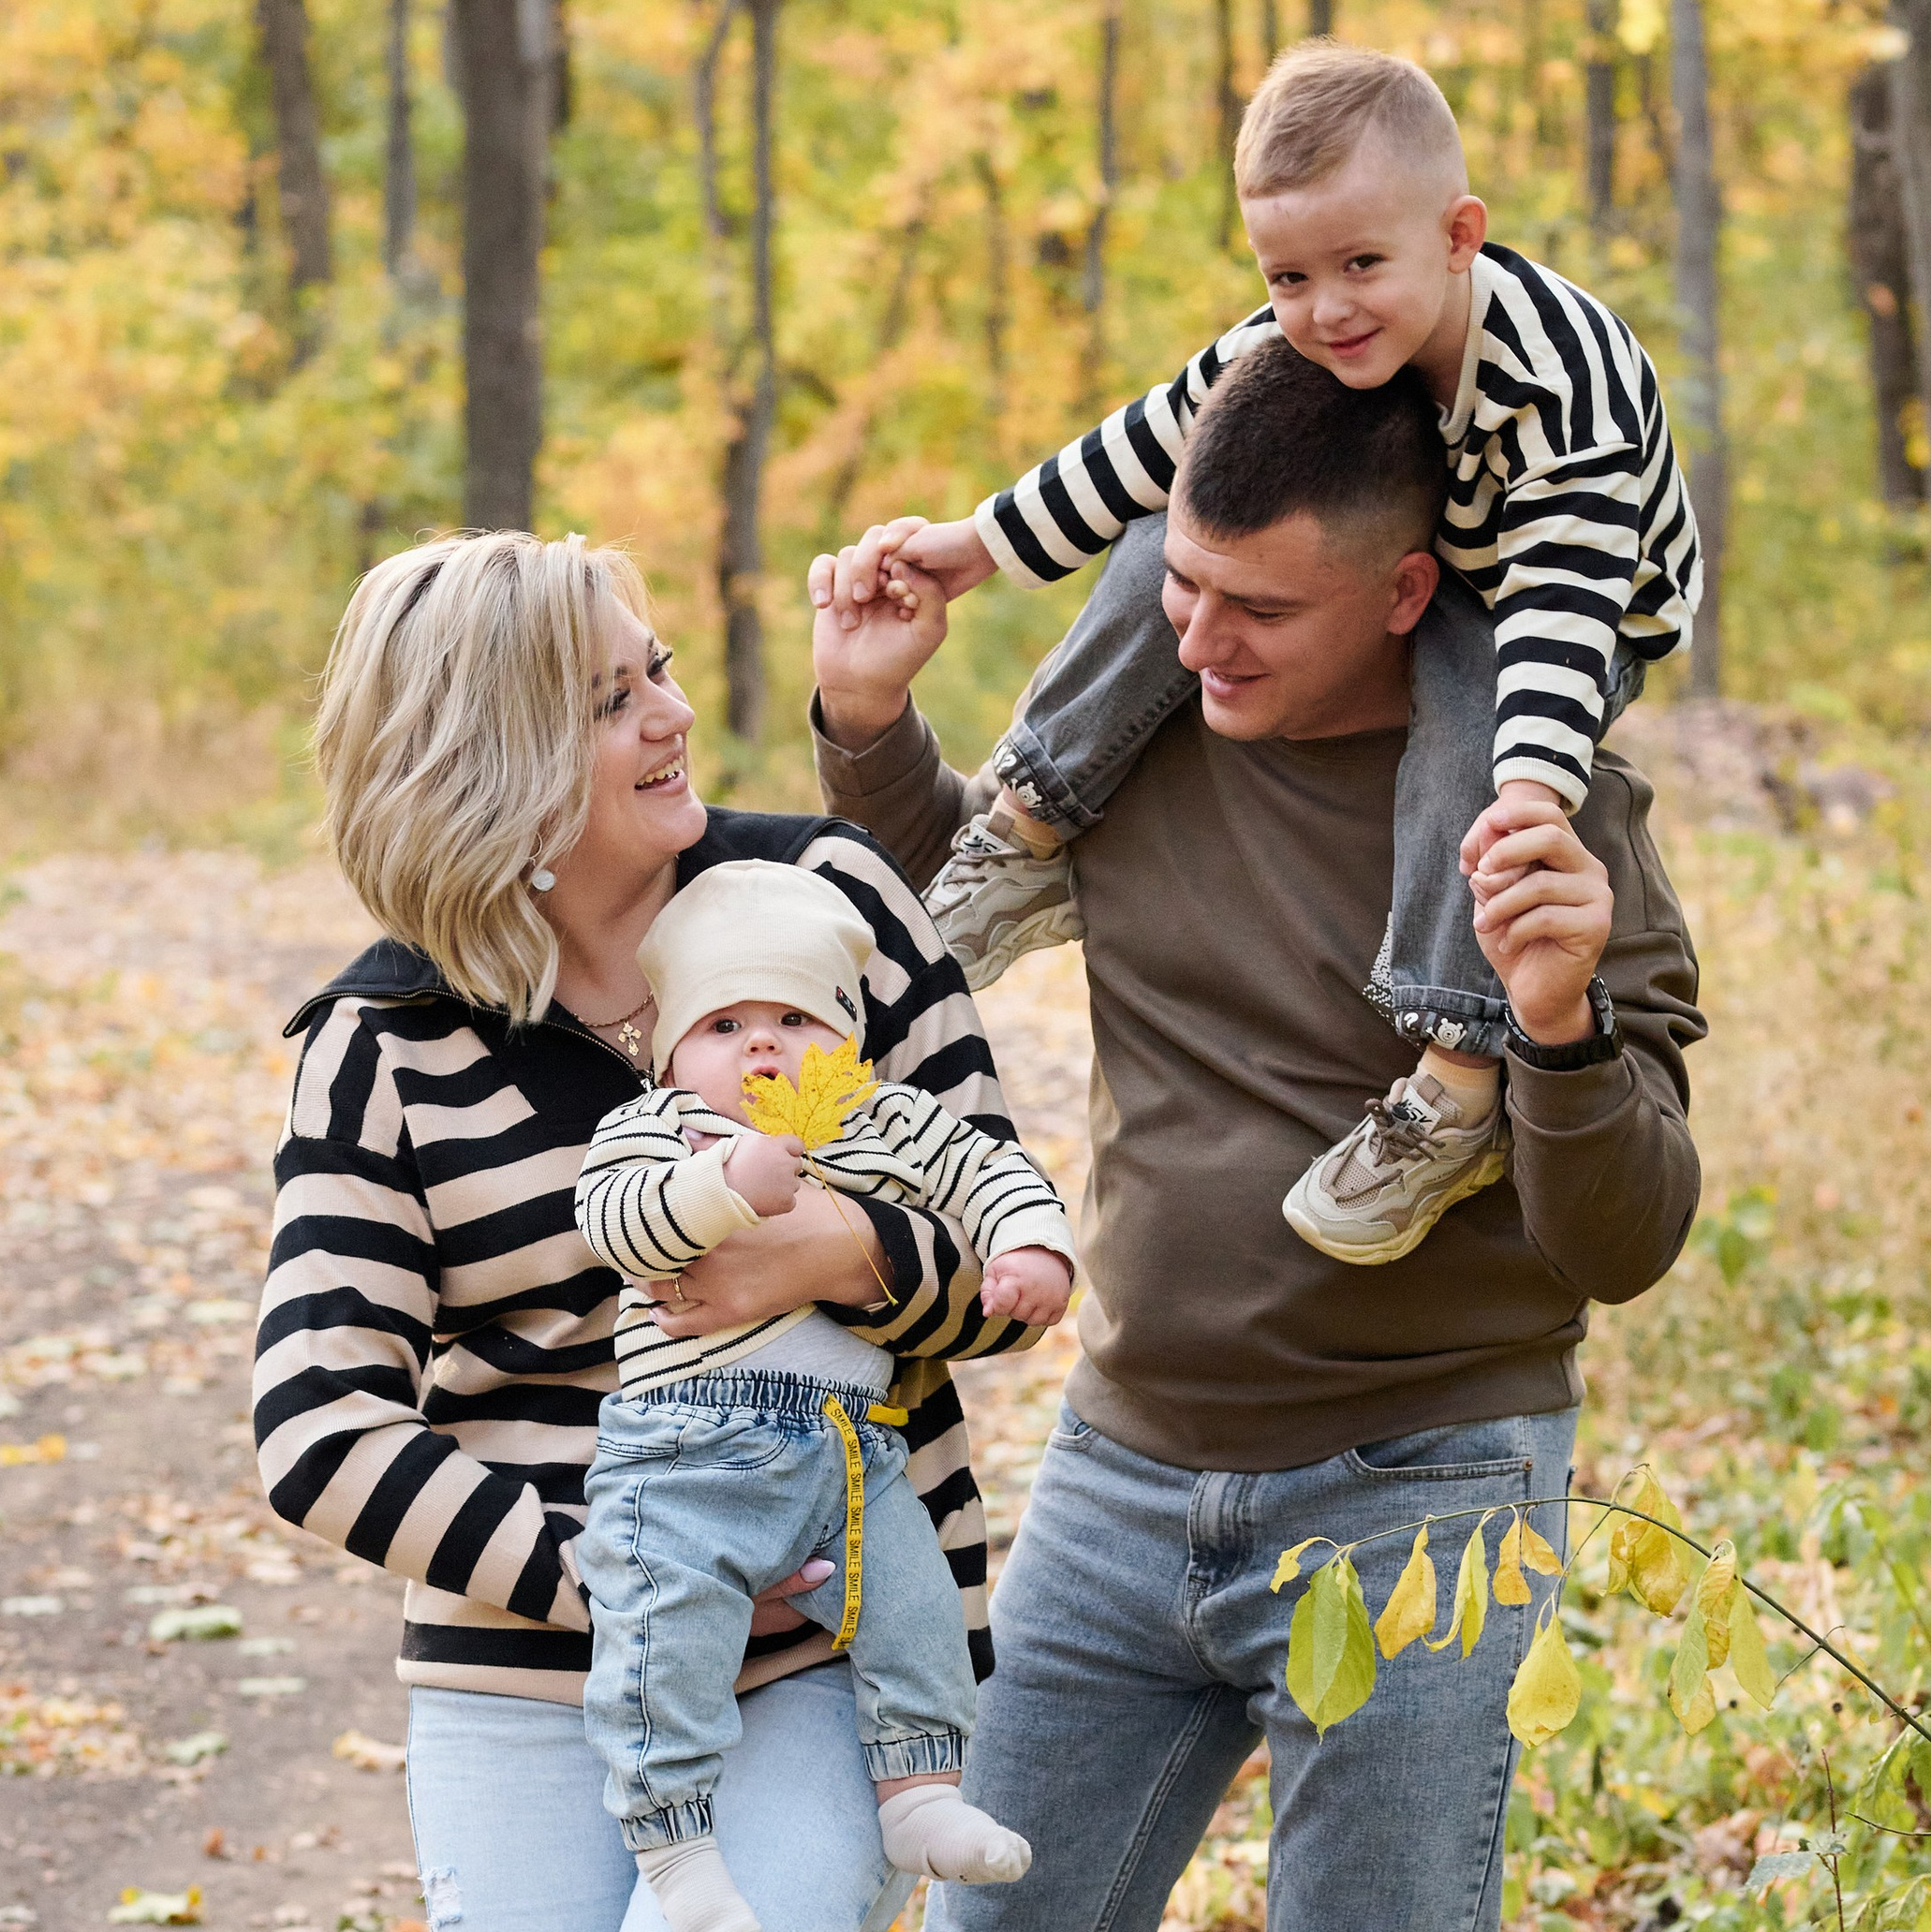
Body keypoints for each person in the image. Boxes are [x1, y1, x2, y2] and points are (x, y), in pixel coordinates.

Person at [808, 344, 1705, 1931]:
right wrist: (867, 713)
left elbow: (1620, 1242)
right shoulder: (1146, 740)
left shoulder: (1550, 833)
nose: (1202, 645)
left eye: (1260, 611)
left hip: (1420, 1494)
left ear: (1405, 591)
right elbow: (941, 911)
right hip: (1117, 1469)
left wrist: (1556, 1026)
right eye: (1182, 587)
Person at [254, 529, 1039, 1932]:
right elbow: (319, 1427)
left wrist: (839, 1254)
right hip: (529, 1661)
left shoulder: (831, 904)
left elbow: (1002, 1252)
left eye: (657, 669)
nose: (674, 715)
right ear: (487, 762)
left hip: (835, 1647)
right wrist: (632, 1584)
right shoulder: (382, 1041)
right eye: (613, 699)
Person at [830, 41, 1702, 1268]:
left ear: (1458, 236)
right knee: (1166, 540)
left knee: (1471, 713)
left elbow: (1558, 612)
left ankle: (1454, 1077)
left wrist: (1522, 796)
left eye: (1359, 265)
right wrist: (974, 548)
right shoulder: (1295, 337)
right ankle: (1021, 830)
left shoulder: (1564, 396)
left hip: (1572, 609)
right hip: (1433, 556)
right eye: (1287, 273)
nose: (1323, 307)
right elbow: (1140, 446)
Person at [571, 859, 1074, 1932]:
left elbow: (986, 1169)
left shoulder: (882, 1119)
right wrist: (722, 1186)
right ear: (669, 1053)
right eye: (723, 1024)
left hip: (856, 1451)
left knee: (915, 1609)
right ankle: (677, 1846)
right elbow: (613, 1224)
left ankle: (918, 1791)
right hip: (684, 1452)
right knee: (668, 1643)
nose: (761, 1043)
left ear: (846, 1036)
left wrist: (1032, 1243)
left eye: (794, 1015)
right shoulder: (663, 1130)